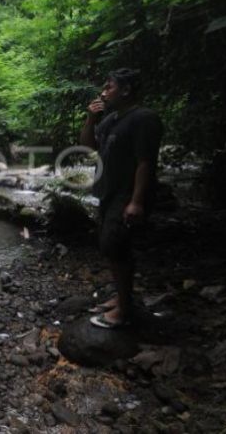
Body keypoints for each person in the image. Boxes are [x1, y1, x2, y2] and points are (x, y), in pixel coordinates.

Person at [79, 68, 163, 329]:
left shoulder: (144, 119)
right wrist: (91, 119)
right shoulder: (110, 119)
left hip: (128, 194)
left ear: (126, 90)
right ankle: (122, 297)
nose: (104, 91)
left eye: (109, 86)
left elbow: (145, 162)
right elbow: (88, 147)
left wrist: (137, 201)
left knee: (116, 246)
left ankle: (125, 311)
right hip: (108, 192)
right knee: (112, 247)